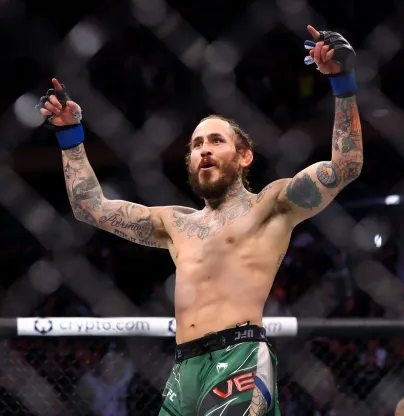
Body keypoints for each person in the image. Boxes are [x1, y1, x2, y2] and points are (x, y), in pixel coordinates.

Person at [38, 25, 363, 416]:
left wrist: (342, 82)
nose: (204, 150)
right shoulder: (174, 224)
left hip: (239, 353)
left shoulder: (271, 204)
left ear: (244, 157)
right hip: (182, 371)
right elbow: (88, 206)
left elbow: (345, 166)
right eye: (196, 145)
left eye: (215, 141)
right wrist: (70, 136)